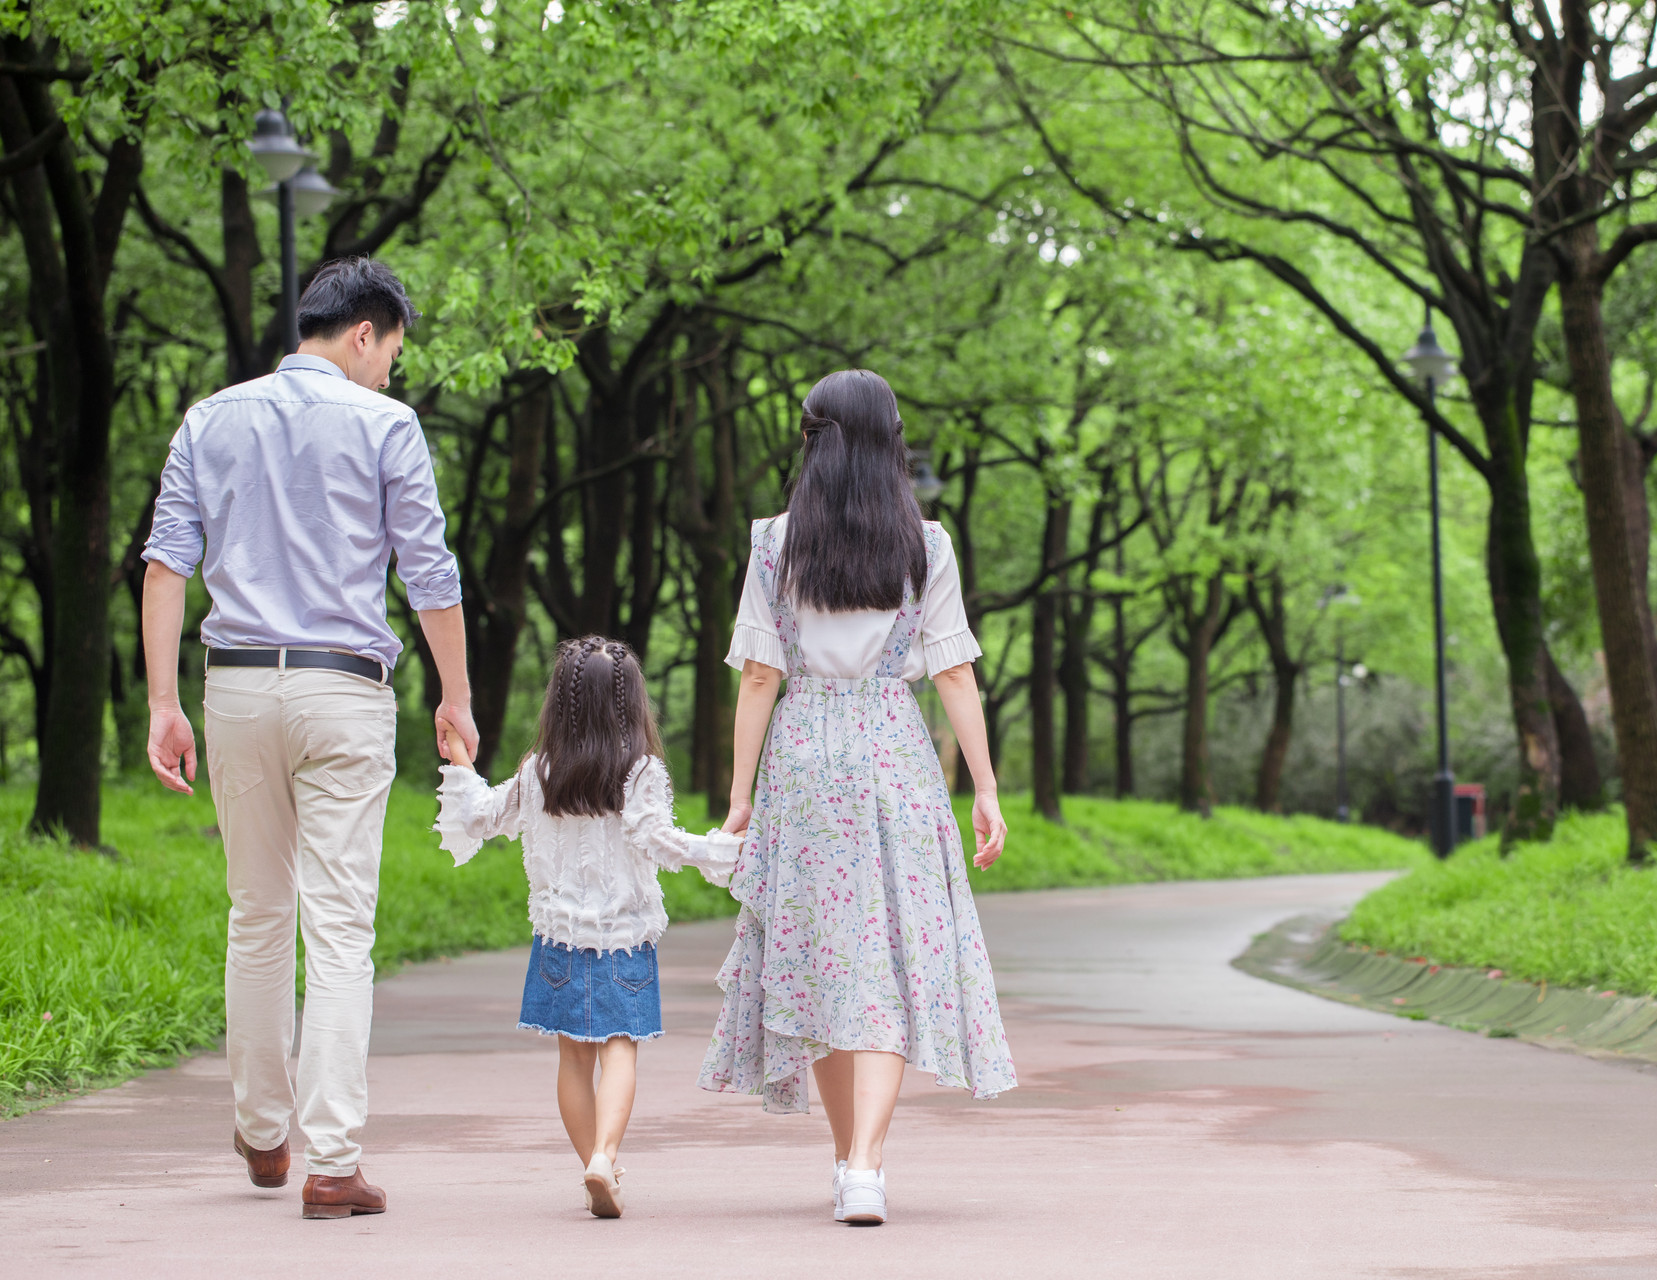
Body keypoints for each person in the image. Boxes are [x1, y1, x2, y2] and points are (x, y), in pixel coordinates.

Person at [142, 257, 474, 1221]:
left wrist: (163, 703)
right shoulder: (387, 425)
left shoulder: (209, 418)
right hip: (343, 690)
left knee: (256, 914)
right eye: (392, 353)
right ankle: (332, 1162)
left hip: (236, 687)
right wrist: (455, 696)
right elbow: (429, 574)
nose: (390, 373)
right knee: (339, 926)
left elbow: (166, 567)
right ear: (363, 333)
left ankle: (261, 1134)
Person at [699, 369, 1016, 1226]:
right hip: (892, 755)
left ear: (811, 440)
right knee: (885, 962)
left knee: (821, 965)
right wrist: (985, 787)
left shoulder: (774, 542)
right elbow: (953, 671)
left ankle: (851, 1162)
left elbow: (759, 674)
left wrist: (739, 796)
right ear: (891, 441)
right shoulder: (927, 545)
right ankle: (864, 1164)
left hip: (803, 758)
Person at [432, 636, 741, 1219]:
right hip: (625, 941)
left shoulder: (538, 771)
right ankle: (605, 1156)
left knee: (573, 1060)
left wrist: (462, 764)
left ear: (559, 703)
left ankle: (594, 1168)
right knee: (620, 1050)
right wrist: (721, 849)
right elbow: (659, 839)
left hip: (558, 940)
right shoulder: (640, 770)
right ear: (631, 705)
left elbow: (481, 817)